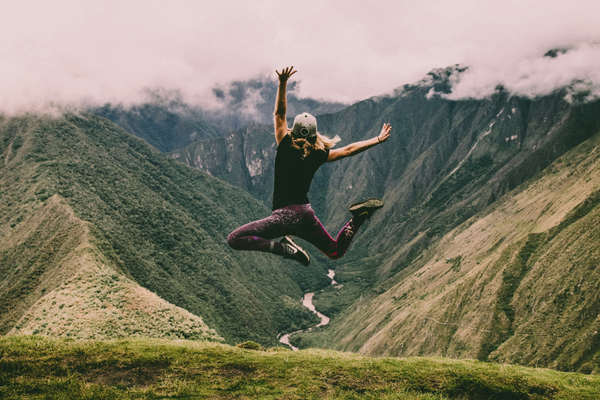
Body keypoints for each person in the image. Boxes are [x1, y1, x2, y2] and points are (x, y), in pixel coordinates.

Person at [227, 66, 391, 266]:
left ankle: (284, 249)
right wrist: (377, 139)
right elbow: (348, 150)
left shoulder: (285, 144)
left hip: (283, 217)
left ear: (293, 131)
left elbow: (279, 114)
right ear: (315, 135)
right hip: (305, 215)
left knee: (234, 239)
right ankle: (357, 219)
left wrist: (282, 83)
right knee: (335, 251)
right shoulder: (318, 154)